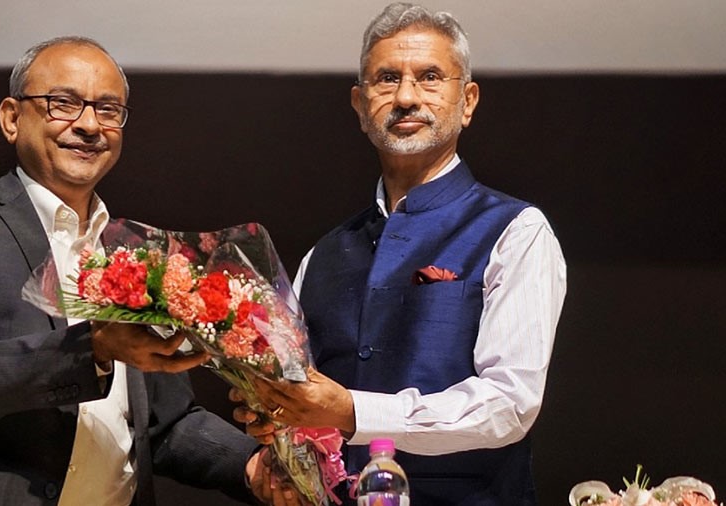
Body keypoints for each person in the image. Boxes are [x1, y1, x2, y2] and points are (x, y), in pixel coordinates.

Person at [0, 36, 299, 506]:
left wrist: (251, 465)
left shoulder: (134, 253)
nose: (88, 125)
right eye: (63, 104)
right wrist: (93, 348)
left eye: (108, 110)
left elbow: (165, 425)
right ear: (11, 118)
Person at [234, 3, 567, 505]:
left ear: (468, 101)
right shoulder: (323, 254)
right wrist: (274, 421)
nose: (407, 97)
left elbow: (510, 404)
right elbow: (300, 393)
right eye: (387, 79)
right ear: (359, 104)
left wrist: (354, 412)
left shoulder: (515, 230)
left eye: (430, 77)